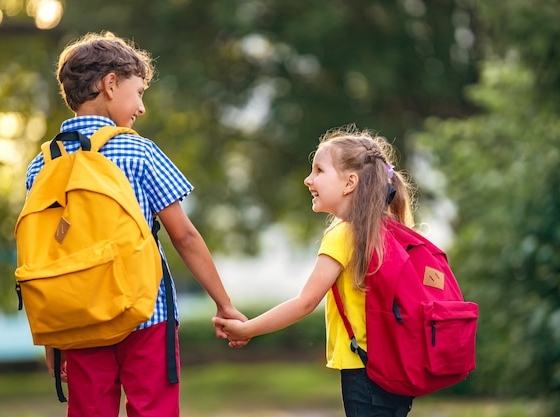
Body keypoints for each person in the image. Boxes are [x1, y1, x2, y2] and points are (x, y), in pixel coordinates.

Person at [24, 31, 248, 417]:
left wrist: (53, 340)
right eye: (139, 91)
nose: (141, 107)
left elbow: (48, 257)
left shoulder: (41, 165)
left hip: (78, 322)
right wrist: (225, 304)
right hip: (147, 313)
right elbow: (185, 236)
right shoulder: (137, 149)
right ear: (110, 84)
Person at [213, 124, 416, 417]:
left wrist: (248, 329)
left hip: (364, 370)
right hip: (396, 367)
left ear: (349, 183)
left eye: (319, 171)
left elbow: (305, 302)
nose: (308, 180)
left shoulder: (345, 235)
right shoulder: (388, 230)